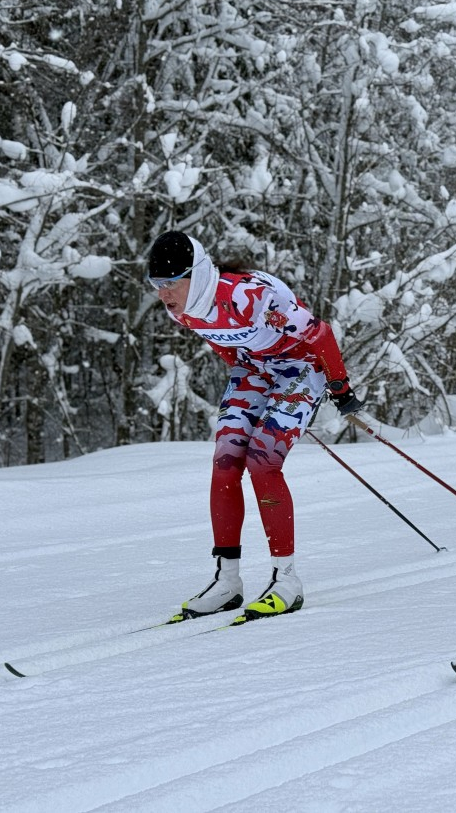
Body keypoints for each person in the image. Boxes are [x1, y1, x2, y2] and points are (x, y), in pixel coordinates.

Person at [147, 230, 364, 623]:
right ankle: (227, 581)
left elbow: (320, 333)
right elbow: (220, 340)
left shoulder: (249, 297)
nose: (163, 294)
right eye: (156, 285)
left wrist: (340, 386)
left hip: (301, 367)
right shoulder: (180, 309)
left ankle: (287, 580)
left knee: (263, 460)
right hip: (255, 368)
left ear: (195, 274)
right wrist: (247, 367)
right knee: (226, 461)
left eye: (170, 282)